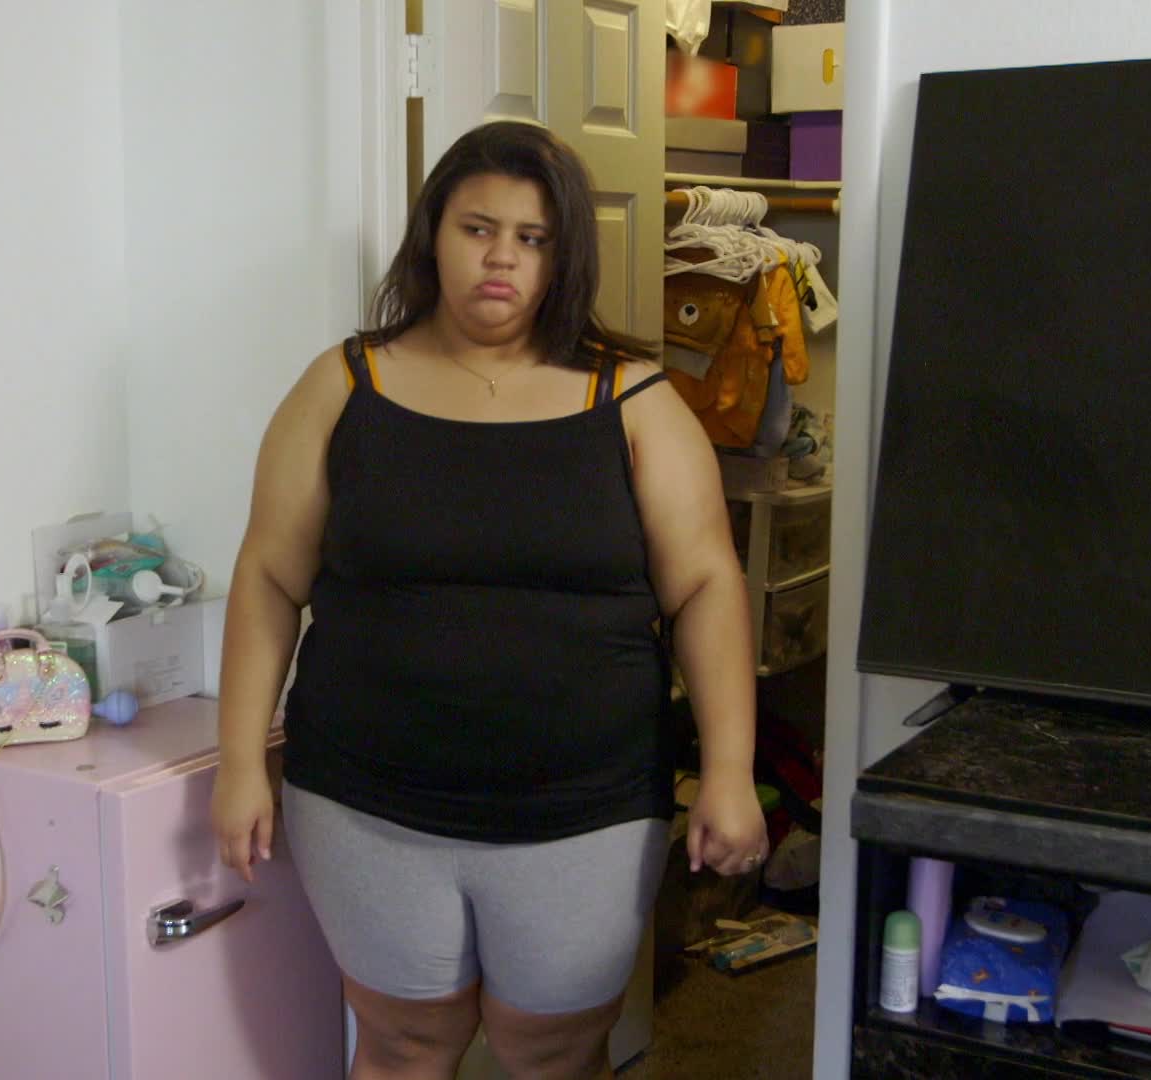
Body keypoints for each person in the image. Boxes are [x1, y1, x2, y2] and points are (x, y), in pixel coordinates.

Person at [212, 120, 765, 1080]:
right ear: (434, 235)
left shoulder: (633, 400)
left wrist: (730, 769)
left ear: (563, 257)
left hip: (585, 808)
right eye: (478, 228)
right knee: (403, 1043)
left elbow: (708, 588)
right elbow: (267, 576)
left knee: (550, 1051)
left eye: (532, 237)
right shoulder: (344, 385)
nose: (502, 257)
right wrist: (237, 763)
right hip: (364, 798)